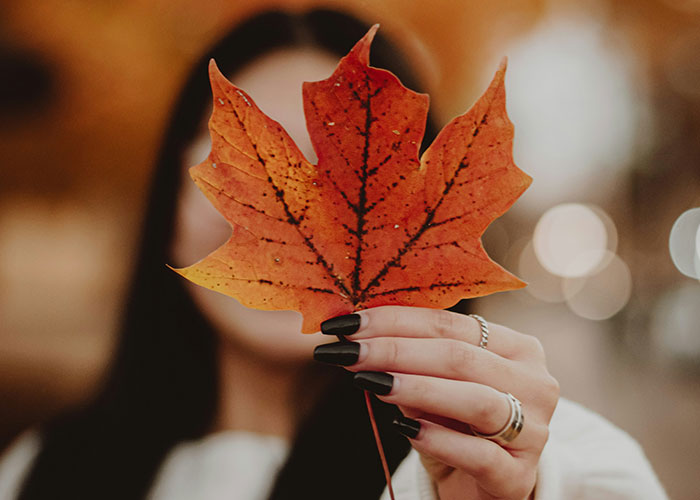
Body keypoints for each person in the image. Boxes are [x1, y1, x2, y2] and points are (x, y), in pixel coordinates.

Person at [0, 8, 667, 500]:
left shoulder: (547, 462)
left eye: (340, 176)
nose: (307, 217)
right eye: (249, 171)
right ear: (168, 213)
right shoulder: (42, 471)